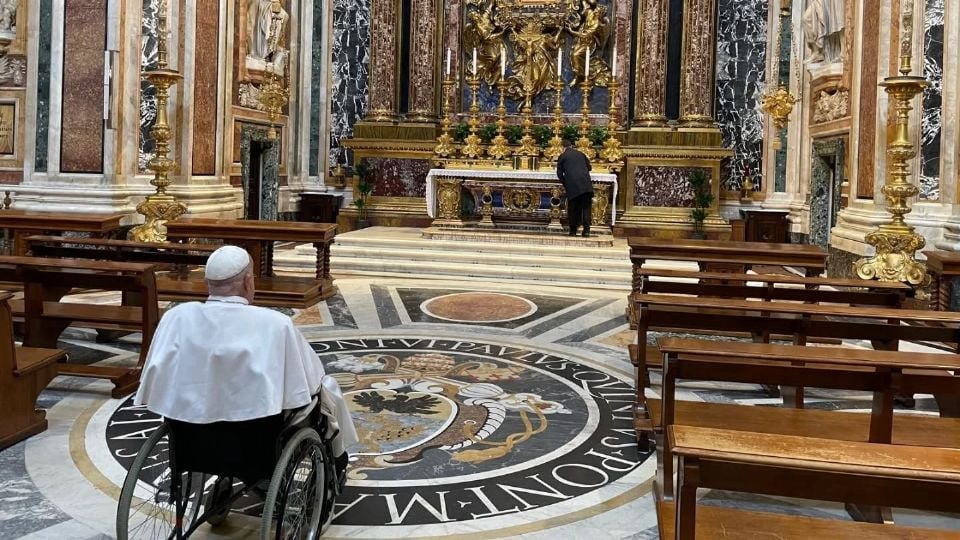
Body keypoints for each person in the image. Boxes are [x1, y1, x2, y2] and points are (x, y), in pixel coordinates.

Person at [135, 245, 358, 483]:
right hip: (256, 435)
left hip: (189, 433)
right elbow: (309, 382)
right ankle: (338, 460)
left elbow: (157, 375)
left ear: (208, 282)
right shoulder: (274, 324)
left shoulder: (176, 317)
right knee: (328, 388)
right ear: (249, 282)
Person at [556, 138, 594, 237]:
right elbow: (589, 168)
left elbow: (559, 174)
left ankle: (573, 231)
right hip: (586, 185)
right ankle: (586, 231)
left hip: (573, 186)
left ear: (562, 147)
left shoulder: (562, 156)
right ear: (571, 146)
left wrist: (566, 183)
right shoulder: (581, 154)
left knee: (573, 208)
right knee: (586, 208)